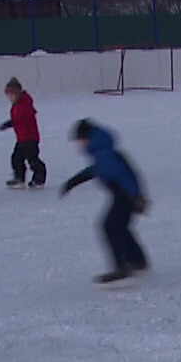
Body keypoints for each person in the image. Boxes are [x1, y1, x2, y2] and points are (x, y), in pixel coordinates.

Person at [60, 119, 149, 286]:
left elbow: (125, 175)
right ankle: (138, 260)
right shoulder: (102, 151)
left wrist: (136, 197)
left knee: (110, 226)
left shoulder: (104, 153)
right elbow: (94, 170)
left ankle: (121, 266)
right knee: (119, 227)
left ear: (87, 137)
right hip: (123, 195)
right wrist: (73, 182)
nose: (79, 144)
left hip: (125, 196)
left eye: (79, 140)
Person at [0, 77, 46, 189]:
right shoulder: (17, 104)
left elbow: (21, 118)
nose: (9, 98)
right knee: (16, 158)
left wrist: (8, 124)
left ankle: (39, 177)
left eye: (11, 95)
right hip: (22, 138)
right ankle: (19, 177)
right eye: (8, 95)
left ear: (17, 93)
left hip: (30, 138)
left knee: (32, 159)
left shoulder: (24, 103)